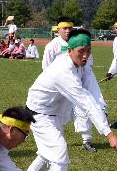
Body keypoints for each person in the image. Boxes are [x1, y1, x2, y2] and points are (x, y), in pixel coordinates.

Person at [25, 29, 117, 171]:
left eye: (88, 51)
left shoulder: (83, 65)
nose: (85, 56)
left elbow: (94, 93)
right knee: (59, 151)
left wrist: (104, 115)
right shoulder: (63, 70)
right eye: (81, 52)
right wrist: (108, 133)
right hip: (39, 113)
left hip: (57, 112)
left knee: (49, 152)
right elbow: (84, 100)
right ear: (69, 50)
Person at [42, 17, 104, 152]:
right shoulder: (51, 47)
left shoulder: (82, 44)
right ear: (58, 30)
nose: (67, 31)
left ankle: (87, 141)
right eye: (64, 28)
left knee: (84, 110)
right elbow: (46, 68)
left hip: (78, 85)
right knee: (59, 114)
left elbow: (87, 67)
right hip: (60, 88)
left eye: (70, 28)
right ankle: (57, 141)